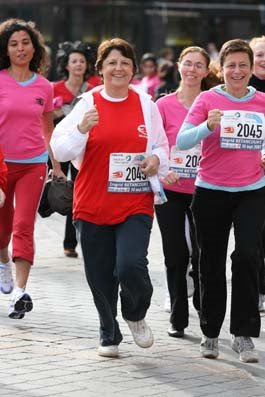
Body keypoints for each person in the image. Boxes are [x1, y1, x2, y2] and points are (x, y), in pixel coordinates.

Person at [51, 38, 172, 358]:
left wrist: (157, 160)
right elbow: (60, 149)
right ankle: (108, 329)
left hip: (135, 203)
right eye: (111, 63)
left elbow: (161, 146)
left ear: (133, 69)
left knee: (130, 265)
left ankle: (135, 313)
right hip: (92, 203)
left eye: (124, 63)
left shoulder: (146, 104)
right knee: (99, 274)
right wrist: (80, 128)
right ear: (101, 68)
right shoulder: (87, 103)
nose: (118, 68)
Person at [177, 39, 265, 363]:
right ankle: (211, 332)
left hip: (252, 190)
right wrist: (206, 125)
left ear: (252, 67)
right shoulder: (207, 99)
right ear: (222, 68)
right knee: (209, 262)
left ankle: (243, 334)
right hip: (211, 190)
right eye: (231, 65)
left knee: (246, 256)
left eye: (244, 65)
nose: (238, 71)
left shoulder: (263, 102)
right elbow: (183, 140)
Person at [0, 18, 63, 319]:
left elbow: (48, 129)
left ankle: (21, 293)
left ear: (34, 47)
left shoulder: (44, 86)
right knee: (1, 230)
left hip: (33, 164)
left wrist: (57, 167)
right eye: (14, 44)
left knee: (23, 225)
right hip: (0, 165)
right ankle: (3, 262)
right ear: (6, 49)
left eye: (25, 43)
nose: (20, 48)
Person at [156, 46, 212, 338]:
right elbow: (155, 144)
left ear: (206, 70)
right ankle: (178, 316)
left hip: (206, 189)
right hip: (170, 189)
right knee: (175, 253)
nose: (191, 70)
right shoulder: (163, 105)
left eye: (198, 65)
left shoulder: (212, 104)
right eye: (187, 64)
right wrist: (165, 168)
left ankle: (205, 310)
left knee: (202, 253)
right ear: (179, 66)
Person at [52, 41, 93, 258]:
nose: (78, 65)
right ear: (66, 65)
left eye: (82, 61)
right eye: (74, 61)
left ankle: (71, 242)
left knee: (79, 190)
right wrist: (56, 114)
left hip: (83, 146)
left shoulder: (94, 89)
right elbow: (43, 121)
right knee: (52, 187)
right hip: (58, 145)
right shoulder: (54, 88)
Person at [249, 36, 265, 312]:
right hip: (248, 173)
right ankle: (258, 291)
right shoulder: (242, 89)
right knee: (256, 236)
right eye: (260, 55)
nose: (264, 60)